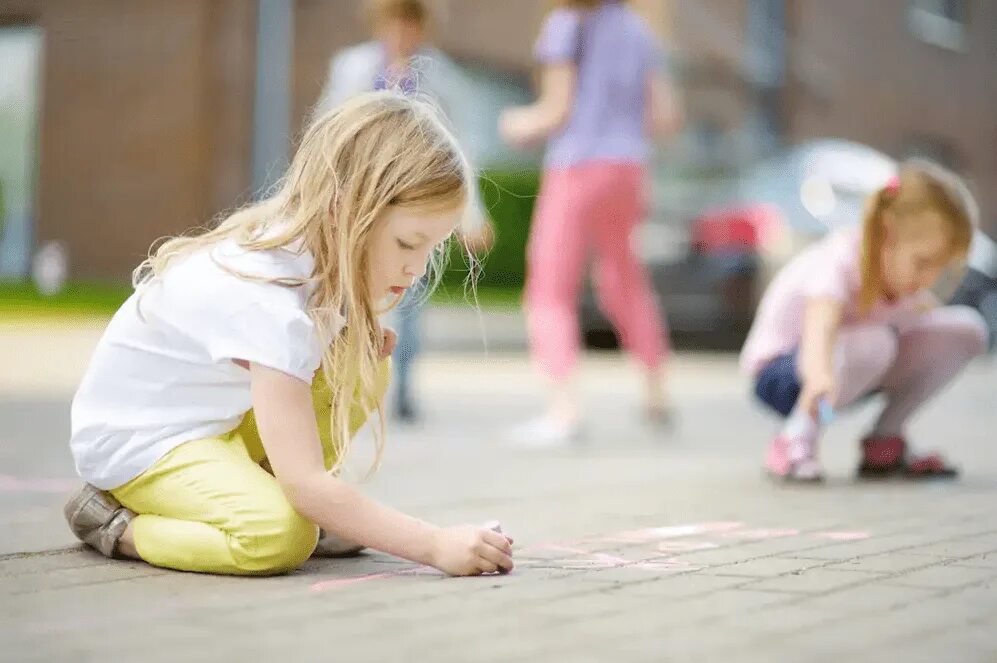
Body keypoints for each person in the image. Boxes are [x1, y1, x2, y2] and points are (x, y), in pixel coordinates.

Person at [63, 92, 514, 577]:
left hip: (208, 425)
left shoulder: (314, 267)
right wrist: (433, 545)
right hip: (140, 442)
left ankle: (296, 505)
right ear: (345, 209)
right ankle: (112, 525)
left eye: (432, 247)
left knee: (364, 359)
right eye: (407, 242)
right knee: (278, 535)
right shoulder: (270, 299)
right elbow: (306, 481)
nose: (417, 267)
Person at [499, 0, 682, 445]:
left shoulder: (565, 25)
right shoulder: (640, 30)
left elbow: (556, 110)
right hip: (629, 170)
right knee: (625, 281)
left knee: (549, 290)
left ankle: (564, 412)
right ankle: (657, 394)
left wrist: (516, 123)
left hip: (578, 168)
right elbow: (664, 118)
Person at [741, 160, 987, 482]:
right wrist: (818, 374)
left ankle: (884, 442)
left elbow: (928, 329)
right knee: (878, 342)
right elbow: (821, 324)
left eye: (939, 268)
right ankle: (795, 438)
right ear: (886, 235)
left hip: (847, 371)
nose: (929, 277)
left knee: (967, 329)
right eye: (923, 262)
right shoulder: (841, 260)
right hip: (785, 374)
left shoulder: (903, 283)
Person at [316, 0, 493, 423]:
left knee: (408, 296)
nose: (402, 32)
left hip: (412, 204)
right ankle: (338, 382)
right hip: (362, 200)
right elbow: (329, 127)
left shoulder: (440, 75)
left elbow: (460, 147)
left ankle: (402, 386)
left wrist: (472, 211)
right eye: (394, 21)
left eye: (411, 23)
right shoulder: (353, 67)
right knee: (345, 293)